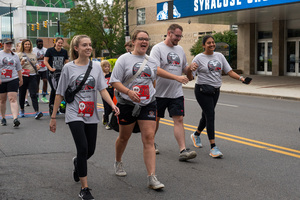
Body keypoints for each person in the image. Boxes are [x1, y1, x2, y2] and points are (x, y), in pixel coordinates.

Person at [49, 35, 119, 200]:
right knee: (82, 148)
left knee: (90, 150)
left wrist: (112, 105)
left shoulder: (96, 67)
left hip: (90, 113)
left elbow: (102, 89)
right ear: (76, 48)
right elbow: (59, 92)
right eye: (84, 45)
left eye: (90, 44)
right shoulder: (68, 68)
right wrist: (53, 117)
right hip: (74, 113)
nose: (88, 47)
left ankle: (77, 163)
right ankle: (84, 189)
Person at [110, 30, 165, 190]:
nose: (144, 42)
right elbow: (114, 81)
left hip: (148, 104)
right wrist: (128, 92)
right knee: (124, 137)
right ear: (133, 41)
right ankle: (118, 161)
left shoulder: (152, 61)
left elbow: (152, 81)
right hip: (127, 104)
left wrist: (149, 95)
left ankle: (152, 177)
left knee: (148, 138)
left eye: (146, 39)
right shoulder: (124, 59)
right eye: (141, 39)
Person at [190, 35, 252, 158]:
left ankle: (196, 135)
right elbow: (191, 76)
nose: (212, 44)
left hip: (215, 90)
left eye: (213, 42)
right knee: (210, 115)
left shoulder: (219, 56)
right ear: (203, 45)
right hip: (202, 90)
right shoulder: (198, 58)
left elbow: (229, 71)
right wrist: (188, 68)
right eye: (209, 43)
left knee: (206, 115)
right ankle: (213, 147)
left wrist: (242, 79)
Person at [150, 24, 197, 161]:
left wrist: (190, 68)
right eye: (177, 36)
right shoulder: (157, 48)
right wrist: (176, 77)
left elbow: (184, 69)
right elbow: (155, 69)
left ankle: (183, 150)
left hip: (176, 92)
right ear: (169, 33)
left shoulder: (180, 49)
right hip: (158, 93)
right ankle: (150, 143)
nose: (179, 39)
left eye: (180, 36)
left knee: (179, 119)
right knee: (155, 120)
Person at [17, 39, 43, 119]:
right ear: (23, 45)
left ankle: (37, 111)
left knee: (33, 94)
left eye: (28, 44)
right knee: (22, 94)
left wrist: (37, 66)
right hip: (23, 76)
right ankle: (22, 109)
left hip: (33, 76)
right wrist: (20, 64)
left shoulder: (33, 55)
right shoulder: (19, 55)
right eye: (26, 44)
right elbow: (16, 67)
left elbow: (36, 64)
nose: (27, 45)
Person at [0, 38, 23, 127]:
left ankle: (15, 119)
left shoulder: (15, 55)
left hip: (13, 79)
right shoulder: (0, 54)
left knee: (12, 99)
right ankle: (3, 118)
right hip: (2, 80)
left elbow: (18, 68)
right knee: (2, 100)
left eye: (10, 44)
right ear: (3, 44)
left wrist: (21, 79)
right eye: (7, 44)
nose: (9, 45)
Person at [44, 37, 69, 115]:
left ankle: (62, 105)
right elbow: (45, 61)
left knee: (62, 89)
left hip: (61, 73)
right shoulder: (50, 51)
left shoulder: (64, 52)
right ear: (55, 43)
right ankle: (52, 106)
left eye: (61, 43)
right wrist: (50, 68)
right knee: (55, 89)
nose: (60, 44)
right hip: (52, 73)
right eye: (59, 43)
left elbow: (66, 62)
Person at [33, 39, 49, 103]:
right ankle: (37, 97)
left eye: (41, 43)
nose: (40, 45)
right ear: (36, 43)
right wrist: (40, 58)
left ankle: (44, 96)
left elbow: (48, 58)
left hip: (44, 68)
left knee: (45, 81)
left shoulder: (45, 50)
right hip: (37, 68)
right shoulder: (33, 50)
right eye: (39, 44)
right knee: (37, 83)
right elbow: (32, 59)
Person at [100, 60, 114, 130]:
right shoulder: (101, 75)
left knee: (112, 108)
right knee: (106, 107)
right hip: (105, 93)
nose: (107, 68)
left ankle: (105, 115)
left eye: (108, 67)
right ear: (102, 67)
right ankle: (108, 123)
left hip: (112, 92)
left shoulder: (111, 74)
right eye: (105, 67)